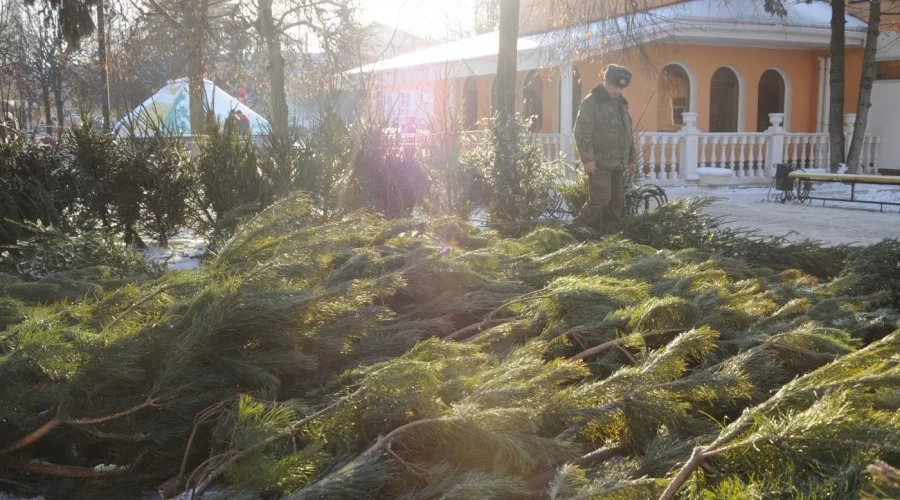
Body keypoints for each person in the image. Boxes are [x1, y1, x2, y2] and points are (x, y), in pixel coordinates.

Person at [572, 64, 636, 234]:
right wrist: (587, 159)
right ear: (606, 82)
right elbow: (581, 132)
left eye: (621, 88)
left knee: (616, 204)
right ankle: (574, 230)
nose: (618, 91)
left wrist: (631, 158)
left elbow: (627, 133)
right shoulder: (592, 102)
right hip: (599, 163)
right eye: (615, 86)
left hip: (618, 164)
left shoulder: (621, 104)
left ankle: (608, 237)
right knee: (600, 200)